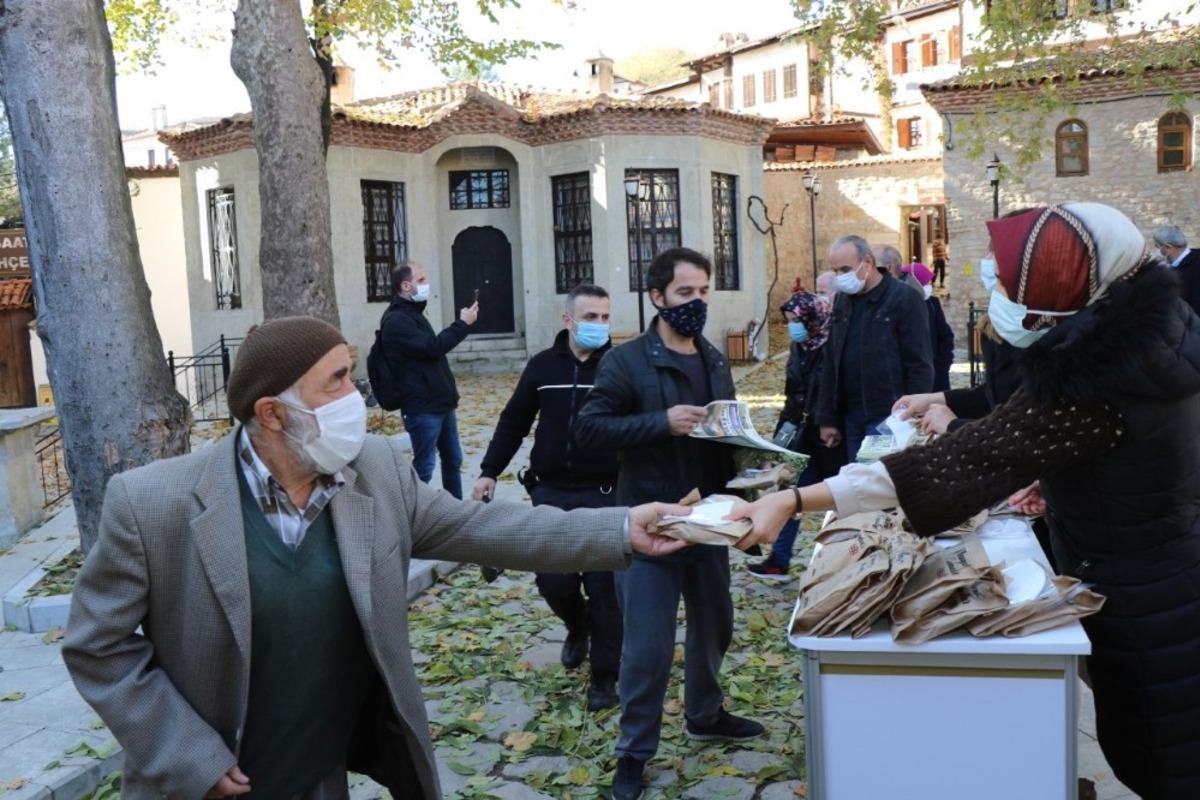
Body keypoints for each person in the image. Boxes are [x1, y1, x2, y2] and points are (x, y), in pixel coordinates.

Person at [61, 316, 692, 800]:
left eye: (351, 373)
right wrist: (188, 755)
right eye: (336, 380)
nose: (356, 394)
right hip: (206, 783)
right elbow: (99, 647)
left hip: (321, 772)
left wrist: (620, 531)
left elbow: (488, 525)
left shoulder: (377, 474)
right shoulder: (153, 504)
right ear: (274, 413)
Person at [736, 203, 1200, 800]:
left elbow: (960, 463)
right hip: (1165, 566)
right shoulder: (1160, 335)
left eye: (1018, 284)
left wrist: (795, 500)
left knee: (1160, 762)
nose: (1008, 295)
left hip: (1148, 605)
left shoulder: (1099, 379)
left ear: (1072, 282)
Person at [575, 248, 764, 800]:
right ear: (656, 296)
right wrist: (660, 423)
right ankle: (633, 753)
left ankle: (705, 714)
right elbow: (590, 429)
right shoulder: (627, 361)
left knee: (715, 629)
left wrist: (755, 470)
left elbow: (723, 434)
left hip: (710, 523)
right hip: (652, 526)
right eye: (686, 293)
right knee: (647, 650)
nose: (697, 302)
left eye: (704, 291)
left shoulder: (713, 357)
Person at [471, 284, 622, 711]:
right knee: (553, 581)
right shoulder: (542, 367)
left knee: (604, 584)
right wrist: (488, 472)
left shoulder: (619, 367)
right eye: (590, 317)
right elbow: (513, 421)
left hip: (605, 491)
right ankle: (578, 626)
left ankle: (605, 676)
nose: (599, 326)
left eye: (605, 317)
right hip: (551, 490)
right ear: (568, 320)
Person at [747, 290, 842, 580]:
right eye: (788, 320)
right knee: (790, 495)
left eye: (795, 320)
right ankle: (779, 560)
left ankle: (845, 563)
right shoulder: (798, 348)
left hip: (831, 439)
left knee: (842, 500)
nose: (792, 326)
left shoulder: (833, 347)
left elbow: (838, 391)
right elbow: (791, 396)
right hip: (802, 436)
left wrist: (830, 421)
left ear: (812, 318)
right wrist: (777, 441)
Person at [814, 234, 933, 461]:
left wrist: (914, 413)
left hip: (890, 414)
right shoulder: (842, 300)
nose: (839, 277)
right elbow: (831, 359)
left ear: (867, 263)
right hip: (851, 414)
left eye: (845, 269)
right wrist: (827, 418)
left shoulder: (904, 298)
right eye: (835, 270)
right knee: (857, 484)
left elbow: (919, 362)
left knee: (883, 484)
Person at [379, 263, 477, 498]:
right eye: (421, 280)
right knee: (424, 468)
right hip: (422, 407)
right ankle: (413, 516)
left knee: (453, 460)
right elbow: (432, 348)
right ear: (405, 286)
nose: (426, 285)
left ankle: (454, 512)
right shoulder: (396, 321)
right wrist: (462, 324)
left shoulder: (413, 314)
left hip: (440, 402)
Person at [901, 260, 954, 393]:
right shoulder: (901, 305)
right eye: (925, 282)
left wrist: (943, 363)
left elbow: (945, 335)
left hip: (937, 372)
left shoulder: (933, 303)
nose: (929, 286)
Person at [1153, 224, 1200, 313]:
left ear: (1168, 247)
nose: (1157, 251)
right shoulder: (1172, 267)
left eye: (1157, 246)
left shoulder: (1194, 267)